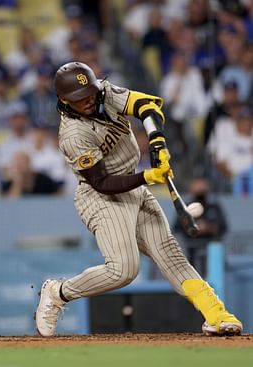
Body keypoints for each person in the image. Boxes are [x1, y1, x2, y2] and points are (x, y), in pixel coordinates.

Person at [35, 62, 242, 337]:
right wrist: (148, 177)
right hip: (100, 197)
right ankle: (58, 292)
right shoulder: (73, 134)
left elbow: (146, 106)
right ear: (63, 99)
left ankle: (216, 314)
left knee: (170, 253)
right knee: (124, 270)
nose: (87, 100)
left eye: (90, 92)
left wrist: (157, 141)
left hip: (132, 183)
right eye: (78, 97)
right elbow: (102, 183)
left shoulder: (104, 93)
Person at [173, 177, 228, 275]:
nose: (199, 187)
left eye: (202, 185)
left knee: (211, 276)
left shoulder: (214, 207)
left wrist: (208, 227)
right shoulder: (184, 207)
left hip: (210, 251)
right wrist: (193, 228)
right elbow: (177, 228)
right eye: (196, 184)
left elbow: (223, 227)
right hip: (189, 251)